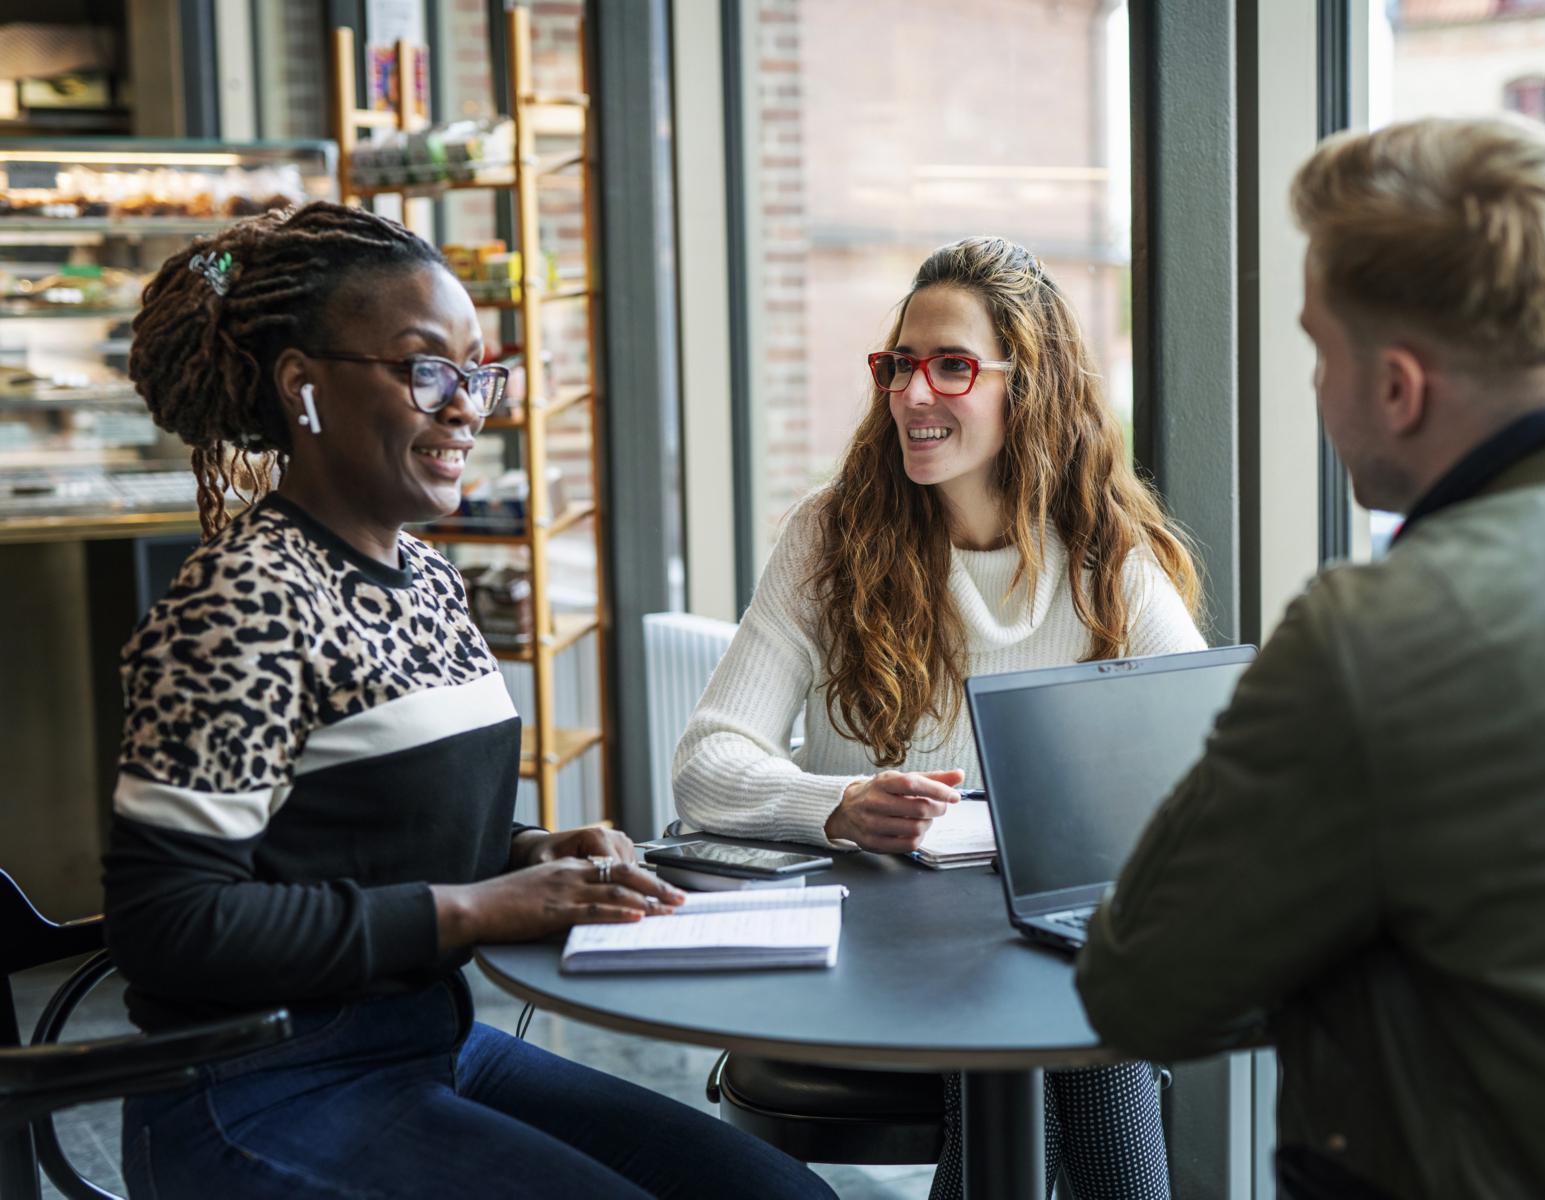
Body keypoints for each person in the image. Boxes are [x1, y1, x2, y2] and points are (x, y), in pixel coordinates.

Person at [1076, 114, 1545, 1200]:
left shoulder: (1372, 634)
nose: (1316, 388)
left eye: (1320, 349)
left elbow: (1140, 992)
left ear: (1398, 388)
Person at [102, 202, 837, 1200]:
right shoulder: (243, 600)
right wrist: (477, 908)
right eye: (425, 368)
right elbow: (169, 924)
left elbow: (357, 829)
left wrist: (529, 851)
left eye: (478, 373)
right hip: (255, 1082)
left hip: (428, 1047)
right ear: (302, 385)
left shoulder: (426, 577)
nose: (467, 408)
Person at [674, 236, 1203, 1200]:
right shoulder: (829, 535)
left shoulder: (1108, 558)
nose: (915, 395)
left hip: (1023, 942)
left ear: (1028, 386)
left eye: (953, 366)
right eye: (899, 366)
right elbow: (708, 761)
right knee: (1054, 1013)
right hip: (872, 944)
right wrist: (838, 805)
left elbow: (1200, 764)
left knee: (1056, 989)